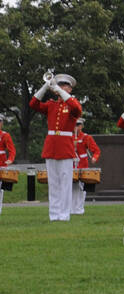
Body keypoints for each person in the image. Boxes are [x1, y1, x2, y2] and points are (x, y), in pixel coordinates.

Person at [29, 71, 82, 222]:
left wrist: (58, 90)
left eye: (65, 85)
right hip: (51, 146)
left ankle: (64, 215)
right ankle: (54, 214)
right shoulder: (52, 105)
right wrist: (46, 86)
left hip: (65, 148)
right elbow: (33, 103)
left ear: (70, 89)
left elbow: (77, 109)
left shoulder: (72, 104)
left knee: (65, 183)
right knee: (53, 183)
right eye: (59, 85)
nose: (61, 87)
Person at [71, 120, 101, 214]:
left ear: (81, 126)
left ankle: (79, 209)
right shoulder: (68, 137)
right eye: (74, 125)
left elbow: (96, 150)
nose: (76, 127)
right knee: (71, 188)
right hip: (70, 165)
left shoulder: (86, 137)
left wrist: (94, 158)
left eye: (78, 125)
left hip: (82, 165)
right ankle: (71, 209)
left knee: (81, 188)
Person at [0, 117, 16, 216]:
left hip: (1, 163)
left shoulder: (5, 135)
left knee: (1, 189)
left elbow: (12, 149)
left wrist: (10, 159)